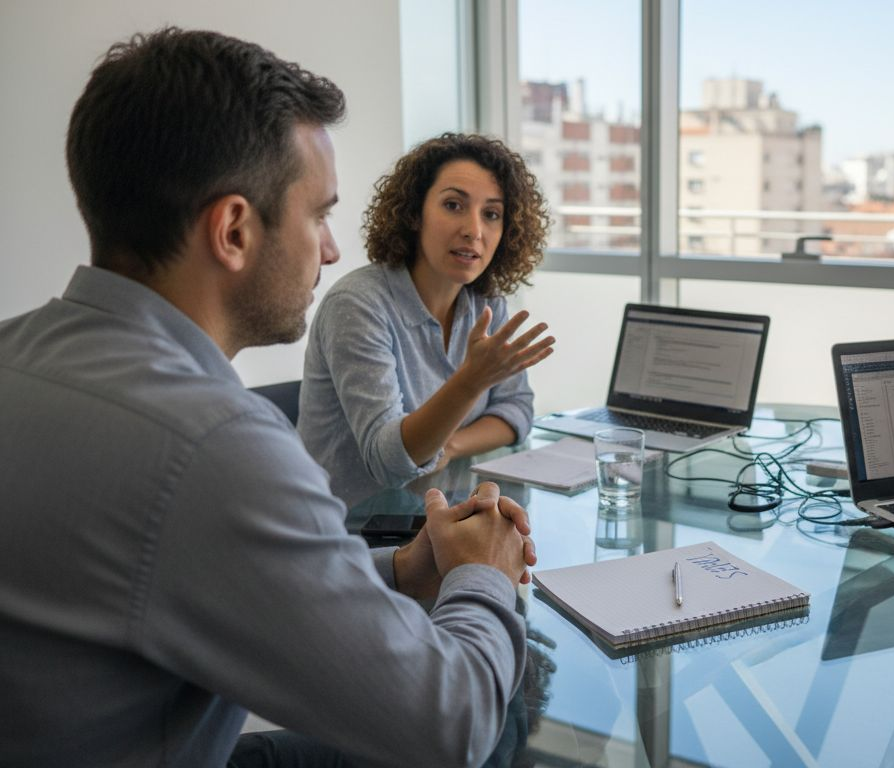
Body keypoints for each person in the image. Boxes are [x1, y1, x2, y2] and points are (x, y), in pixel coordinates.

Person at [0, 28, 538, 768]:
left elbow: (196, 570)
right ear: (233, 231)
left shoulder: (14, 350)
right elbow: (451, 727)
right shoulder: (214, 447)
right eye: (318, 215)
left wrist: (403, 571)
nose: (330, 248)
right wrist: (485, 572)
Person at [299, 134, 555, 506]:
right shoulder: (357, 304)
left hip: (436, 515)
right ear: (414, 214)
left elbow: (517, 411)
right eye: (453, 205)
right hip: (347, 532)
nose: (474, 230)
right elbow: (390, 463)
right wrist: (471, 381)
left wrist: (450, 444)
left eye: (492, 214)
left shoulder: (485, 303)